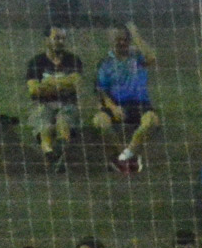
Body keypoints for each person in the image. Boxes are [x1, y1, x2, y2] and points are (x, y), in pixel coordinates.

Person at [90, 23, 158, 173]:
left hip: (140, 104)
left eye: (125, 39)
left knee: (151, 121)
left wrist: (136, 34)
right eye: (118, 39)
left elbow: (152, 57)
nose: (122, 42)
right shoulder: (105, 63)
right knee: (99, 122)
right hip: (117, 105)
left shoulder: (137, 56)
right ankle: (122, 154)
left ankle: (126, 156)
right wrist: (113, 108)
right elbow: (101, 90)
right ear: (111, 40)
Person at [23, 25, 86, 172]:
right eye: (56, 38)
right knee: (44, 124)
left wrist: (48, 83)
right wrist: (64, 83)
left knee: (64, 121)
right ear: (47, 40)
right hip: (42, 104)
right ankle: (50, 153)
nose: (60, 42)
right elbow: (34, 90)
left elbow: (76, 84)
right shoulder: (36, 62)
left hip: (67, 104)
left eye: (63, 38)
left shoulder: (73, 60)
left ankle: (59, 152)